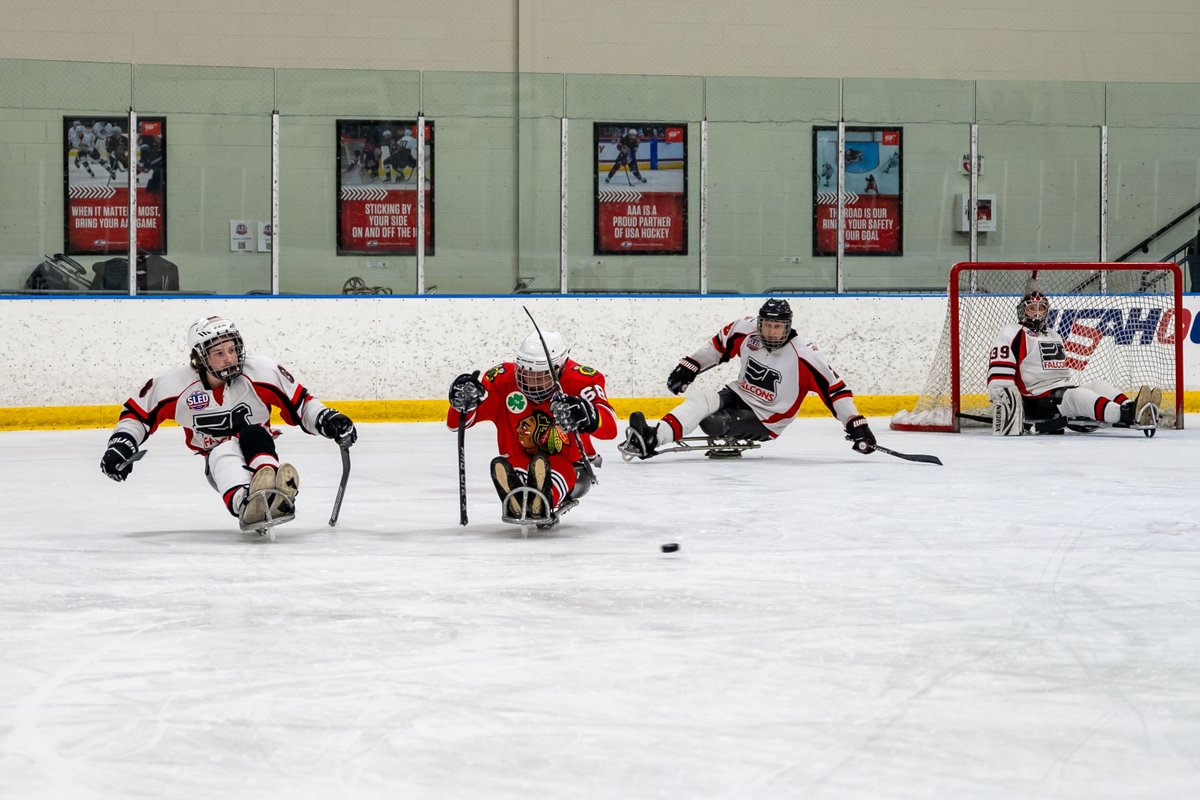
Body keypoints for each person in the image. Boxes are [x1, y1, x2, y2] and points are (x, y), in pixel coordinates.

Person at [99, 315, 358, 533]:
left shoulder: (261, 373)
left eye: (233, 350)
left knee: (254, 432)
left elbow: (301, 404)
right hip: (219, 465)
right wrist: (120, 446)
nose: (229, 358)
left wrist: (328, 419)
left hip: (260, 451)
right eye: (219, 353)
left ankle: (269, 486)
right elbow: (137, 416)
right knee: (223, 449)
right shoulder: (174, 386)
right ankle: (246, 503)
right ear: (199, 358)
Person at [621, 298, 876, 458]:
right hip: (739, 393)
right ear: (760, 323)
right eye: (767, 325)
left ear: (787, 326)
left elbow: (835, 391)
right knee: (701, 400)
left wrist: (856, 424)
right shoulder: (746, 330)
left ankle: (659, 437)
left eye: (778, 327)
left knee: (713, 422)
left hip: (768, 418)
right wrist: (691, 365)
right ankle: (652, 438)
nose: (772, 332)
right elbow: (719, 345)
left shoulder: (805, 355)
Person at [447, 331, 617, 522]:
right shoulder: (502, 380)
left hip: (573, 468)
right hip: (520, 458)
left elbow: (610, 429)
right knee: (511, 465)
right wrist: (461, 403)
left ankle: (543, 499)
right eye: (525, 372)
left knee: (559, 467)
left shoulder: (582, 380)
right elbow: (456, 424)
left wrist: (589, 415)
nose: (530, 381)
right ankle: (519, 497)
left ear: (559, 368)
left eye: (540, 375)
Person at [987, 290, 1162, 434]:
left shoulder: (1054, 335)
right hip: (1036, 398)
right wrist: (1005, 402)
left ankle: (1131, 405)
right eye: (1033, 308)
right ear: (1023, 311)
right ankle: (1126, 415)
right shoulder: (1012, 332)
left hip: (1060, 390)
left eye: (1042, 308)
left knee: (1098, 385)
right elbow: (1000, 372)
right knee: (1077, 396)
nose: (1038, 312)